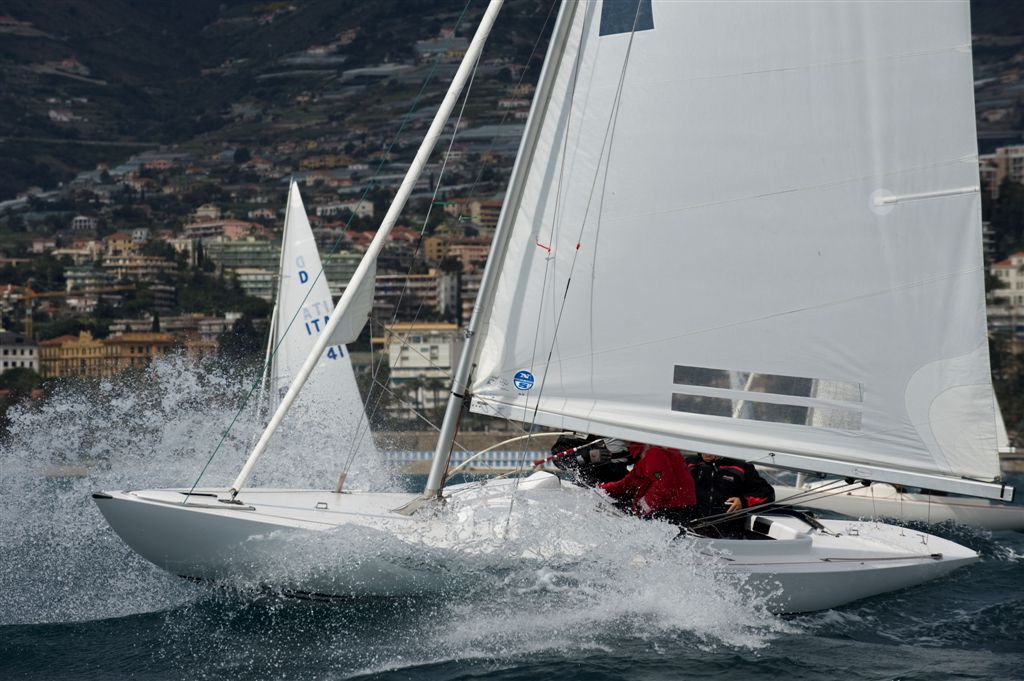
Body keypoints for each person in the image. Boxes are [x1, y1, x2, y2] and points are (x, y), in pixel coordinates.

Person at [599, 442, 698, 526]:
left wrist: (641, 507)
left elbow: (664, 486)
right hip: (672, 505)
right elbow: (630, 482)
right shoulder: (647, 452)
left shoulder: (654, 452)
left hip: (673, 508)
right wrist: (601, 489)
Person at [684, 453, 775, 537]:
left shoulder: (741, 467)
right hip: (691, 532)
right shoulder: (690, 463)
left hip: (728, 534)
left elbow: (767, 494)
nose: (706, 453)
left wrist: (743, 501)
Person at [550, 433, 631, 486]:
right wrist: (587, 456)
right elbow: (559, 460)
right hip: (589, 488)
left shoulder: (620, 429)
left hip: (621, 484)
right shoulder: (577, 431)